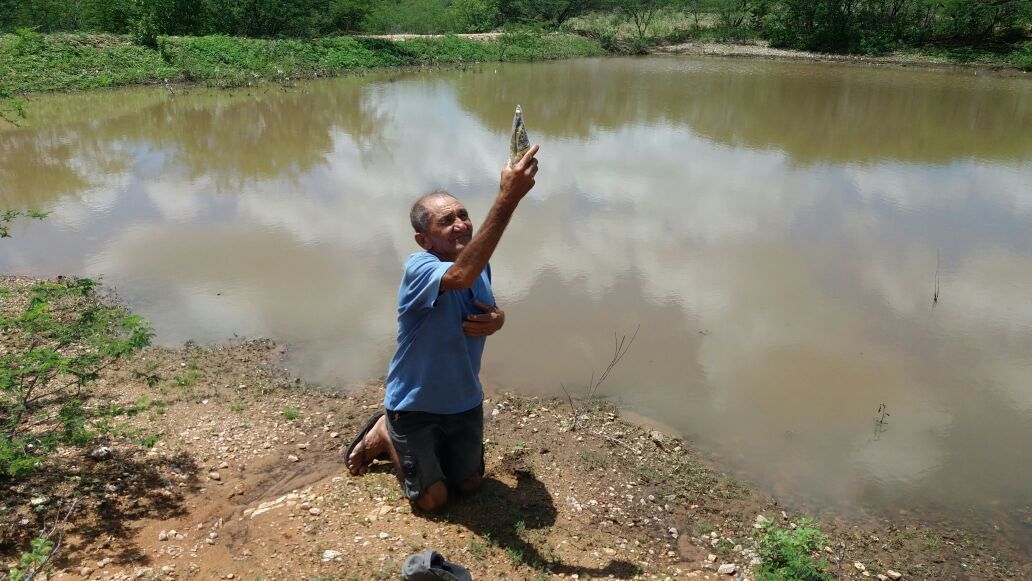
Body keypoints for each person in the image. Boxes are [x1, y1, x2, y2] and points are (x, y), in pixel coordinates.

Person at [345, 145, 540, 512]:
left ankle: (425, 450)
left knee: (470, 484)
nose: (462, 224)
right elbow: (459, 277)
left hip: (463, 401)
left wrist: (499, 319)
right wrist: (508, 197)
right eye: (447, 221)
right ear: (425, 240)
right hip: (414, 406)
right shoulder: (419, 267)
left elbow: (480, 299)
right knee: (434, 501)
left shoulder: (479, 262)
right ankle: (386, 430)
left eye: (464, 215)